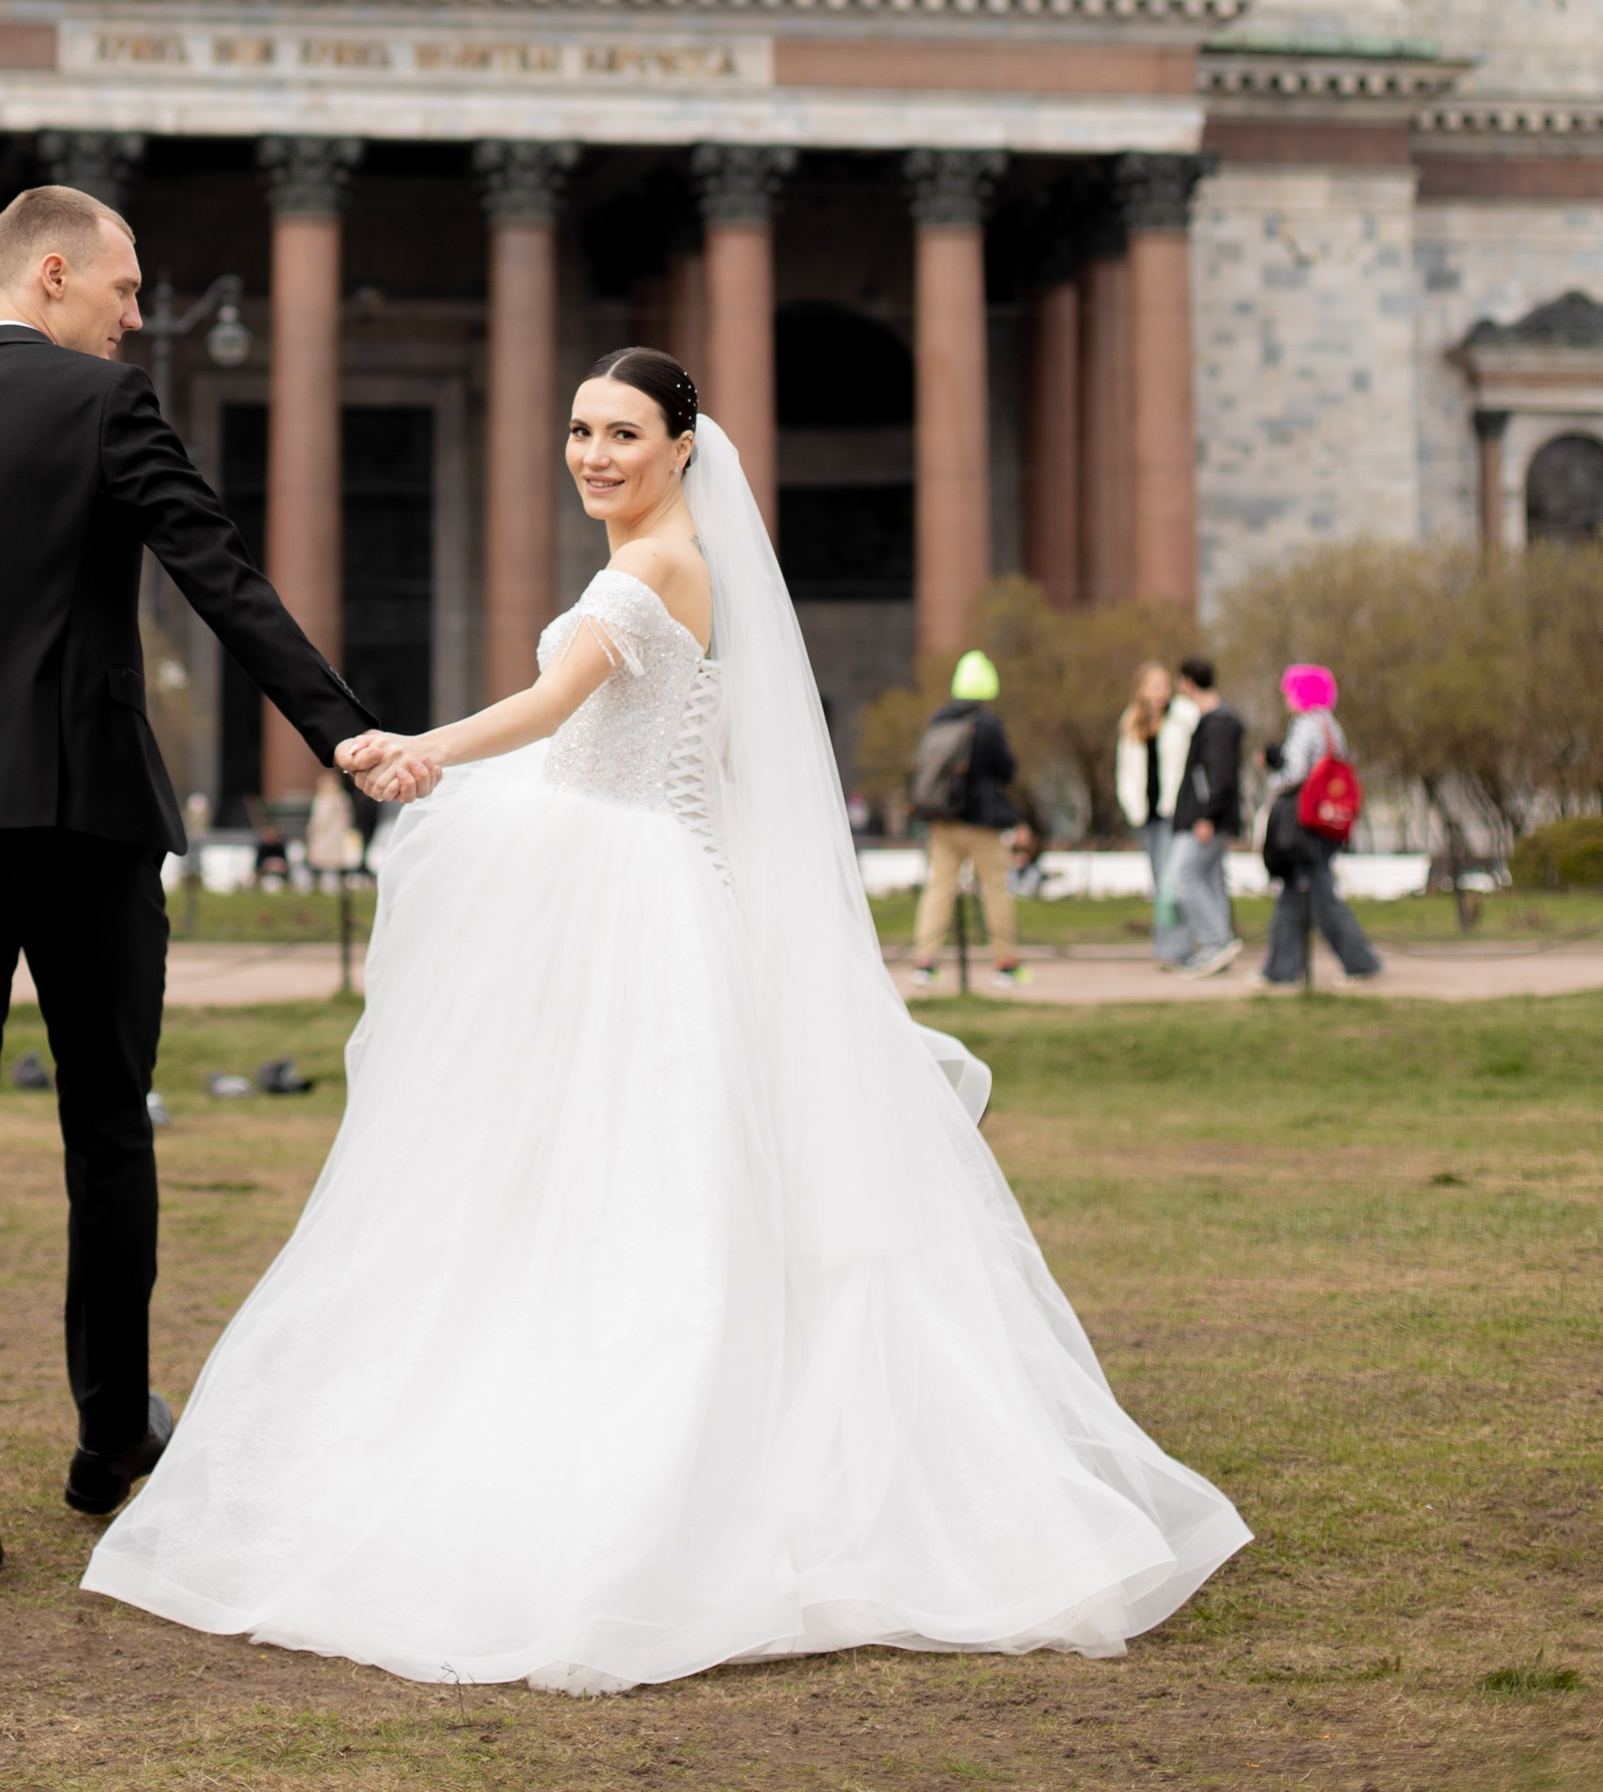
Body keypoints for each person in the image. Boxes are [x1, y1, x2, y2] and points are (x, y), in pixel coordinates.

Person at [85, 353, 1248, 1688]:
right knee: (616, 1173)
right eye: (579, 430)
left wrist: (398, 749)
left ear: (685, 443)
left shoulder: (649, 573)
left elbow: (547, 707)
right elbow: (695, 750)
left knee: (610, 1174)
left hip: (623, 891)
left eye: (622, 433)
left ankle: (645, 1464)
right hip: (644, 875)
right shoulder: (676, 567)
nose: (592, 454)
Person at [0, 183, 402, 1590]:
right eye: (124, 289)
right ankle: (112, 1432)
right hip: (82, 824)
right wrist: (343, 734)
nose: (138, 315)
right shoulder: (107, 414)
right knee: (107, 1132)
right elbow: (223, 583)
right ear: (52, 275)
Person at [906, 648, 1028, 991]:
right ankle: (1005, 964)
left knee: (939, 889)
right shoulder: (988, 725)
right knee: (995, 891)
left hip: (942, 821)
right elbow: (1007, 770)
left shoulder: (939, 719)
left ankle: (925, 963)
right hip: (982, 824)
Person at [1259, 662, 1383, 989]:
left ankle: (1358, 963)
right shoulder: (1331, 725)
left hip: (1305, 824)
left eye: (1290, 689)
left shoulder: (1304, 725)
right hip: (1327, 822)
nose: (1286, 696)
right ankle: (1280, 970)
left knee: (1317, 895)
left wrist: (1272, 773)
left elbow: (1294, 773)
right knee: (1298, 892)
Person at [1164, 652, 1245, 976]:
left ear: (1186, 682)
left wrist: (1206, 816)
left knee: (1184, 878)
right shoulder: (1213, 720)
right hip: (1208, 817)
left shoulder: (1218, 724)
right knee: (1208, 880)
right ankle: (1216, 946)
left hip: (1207, 820)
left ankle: (1216, 942)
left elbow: (1218, 777)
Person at [1115, 660, 1196, 970]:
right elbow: (1125, 770)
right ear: (1141, 690)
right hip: (1147, 814)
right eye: (1154, 685)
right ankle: (1167, 946)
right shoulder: (1131, 721)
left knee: (1173, 881)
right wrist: (1130, 805)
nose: (1161, 691)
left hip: (1175, 811)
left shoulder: (1183, 716)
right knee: (1160, 880)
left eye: (1165, 684)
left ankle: (1179, 948)